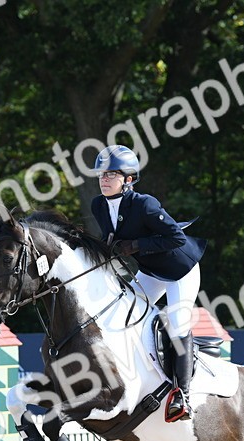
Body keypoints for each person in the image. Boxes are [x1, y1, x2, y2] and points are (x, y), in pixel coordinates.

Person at [90, 145, 206, 422]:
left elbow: (176, 238)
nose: (104, 180)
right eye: (101, 175)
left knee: (177, 321)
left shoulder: (144, 204)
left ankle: (183, 394)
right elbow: (111, 240)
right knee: (122, 314)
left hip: (181, 270)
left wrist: (136, 244)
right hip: (152, 272)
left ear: (129, 179)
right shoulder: (99, 205)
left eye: (111, 174)